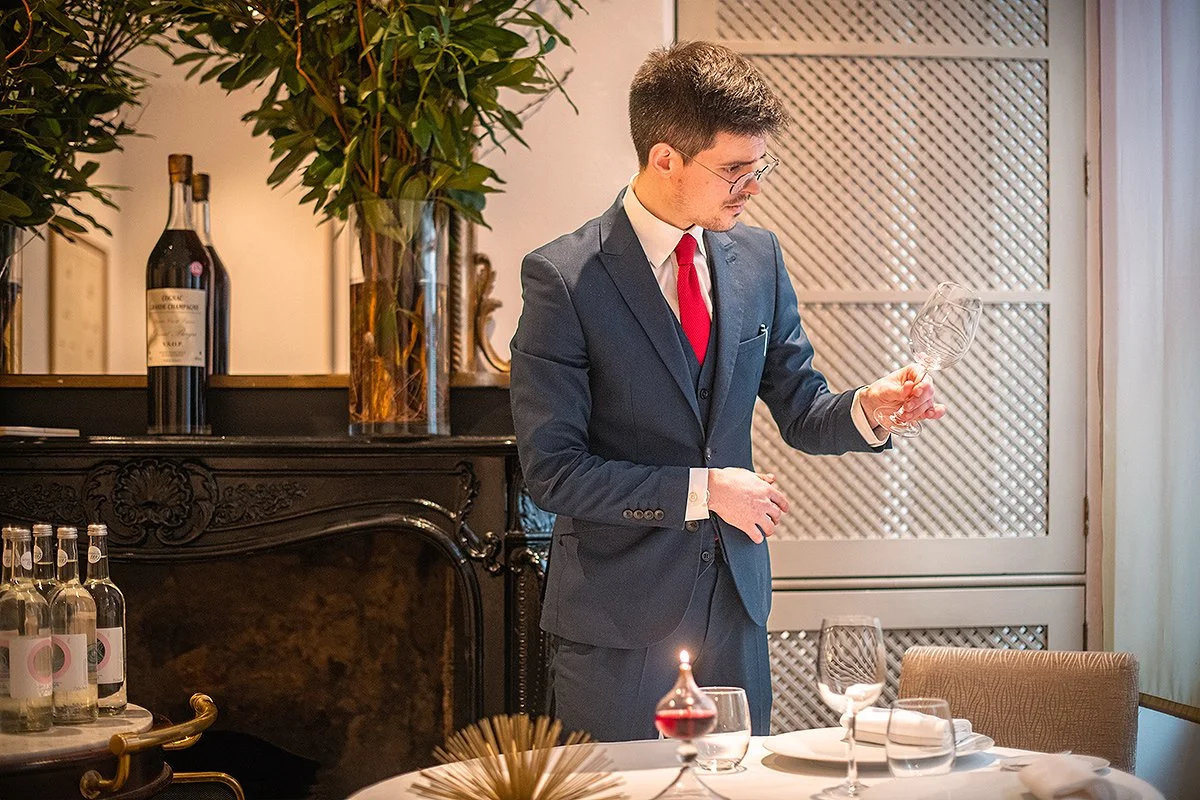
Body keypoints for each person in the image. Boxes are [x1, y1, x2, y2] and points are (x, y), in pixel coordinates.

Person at [508, 40, 943, 742]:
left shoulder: (758, 258)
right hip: (619, 626)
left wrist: (870, 406)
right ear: (665, 159)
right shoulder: (563, 280)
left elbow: (802, 408)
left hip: (737, 611)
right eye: (735, 170)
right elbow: (553, 474)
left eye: (758, 166)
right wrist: (706, 490)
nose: (754, 186)